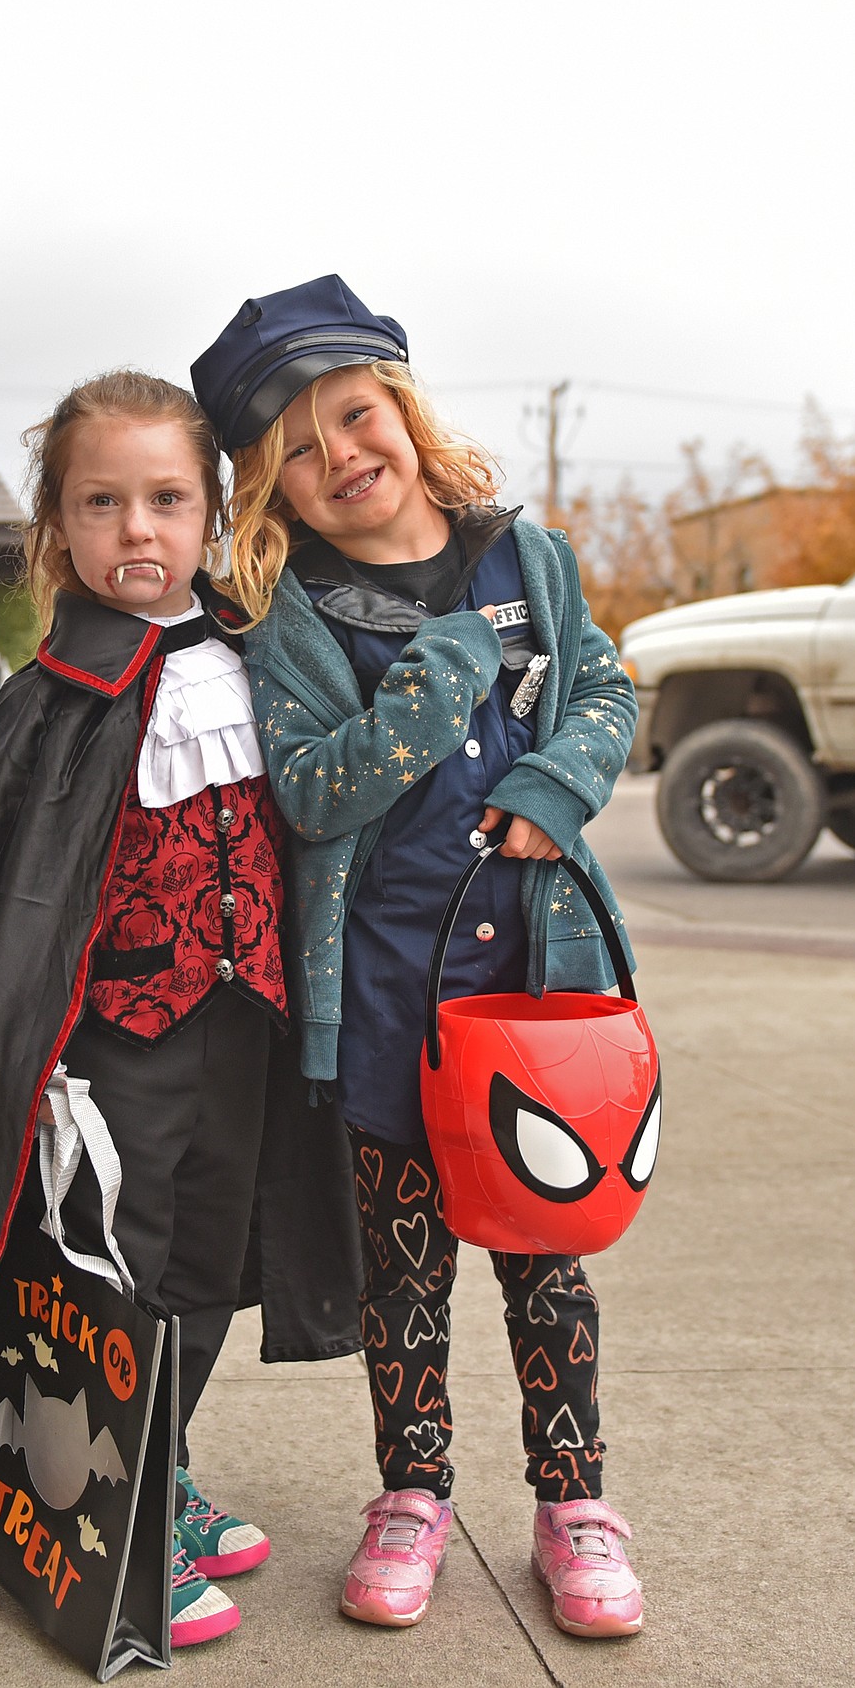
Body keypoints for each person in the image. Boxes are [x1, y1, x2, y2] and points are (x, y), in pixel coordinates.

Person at [0, 370, 360, 1649]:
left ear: (212, 513)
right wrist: (19, 1056)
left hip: (241, 1022)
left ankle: (169, 1461)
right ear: (58, 528)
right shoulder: (49, 698)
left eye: (165, 498)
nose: (136, 529)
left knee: (208, 1259)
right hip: (107, 1048)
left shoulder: (263, 661)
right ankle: (111, 1503)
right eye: (103, 502)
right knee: (115, 1265)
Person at [192, 276, 644, 1639]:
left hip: (537, 995)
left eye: (353, 414)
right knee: (401, 1271)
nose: (340, 456)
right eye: (297, 451)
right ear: (271, 489)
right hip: (382, 1000)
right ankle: (412, 1492)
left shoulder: (527, 555)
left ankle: (574, 1502)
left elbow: (609, 689)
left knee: (545, 1255)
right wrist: (438, 683)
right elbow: (314, 793)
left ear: (400, 405)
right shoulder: (292, 614)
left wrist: (555, 783)